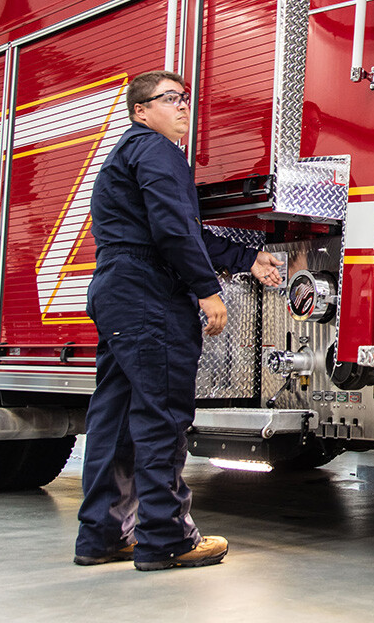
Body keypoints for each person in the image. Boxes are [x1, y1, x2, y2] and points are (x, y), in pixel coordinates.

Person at [73, 70, 286, 571]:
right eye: (169, 99)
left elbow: (171, 230)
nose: (182, 107)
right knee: (160, 418)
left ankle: (102, 536)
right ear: (140, 111)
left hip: (121, 292)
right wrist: (208, 291)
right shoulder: (155, 150)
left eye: (185, 98)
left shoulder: (130, 153)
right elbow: (172, 230)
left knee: (116, 420)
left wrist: (245, 259)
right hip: (148, 297)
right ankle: (167, 539)